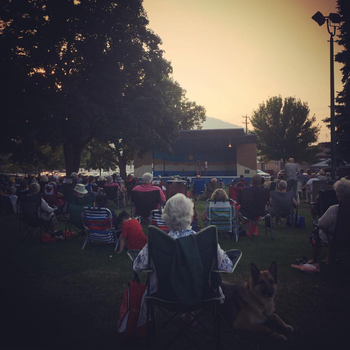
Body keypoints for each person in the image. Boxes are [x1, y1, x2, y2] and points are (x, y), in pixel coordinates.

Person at [133, 193, 234, 326]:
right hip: (202, 294)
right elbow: (227, 267)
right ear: (191, 215)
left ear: (166, 217)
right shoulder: (205, 241)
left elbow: (137, 266)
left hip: (164, 295)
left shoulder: (157, 243)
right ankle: (189, 313)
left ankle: (187, 314)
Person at [310, 178, 350, 265]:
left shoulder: (334, 209)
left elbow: (320, 224)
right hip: (347, 237)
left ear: (338, 195)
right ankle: (329, 258)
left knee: (315, 233)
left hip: (336, 238)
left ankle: (315, 259)